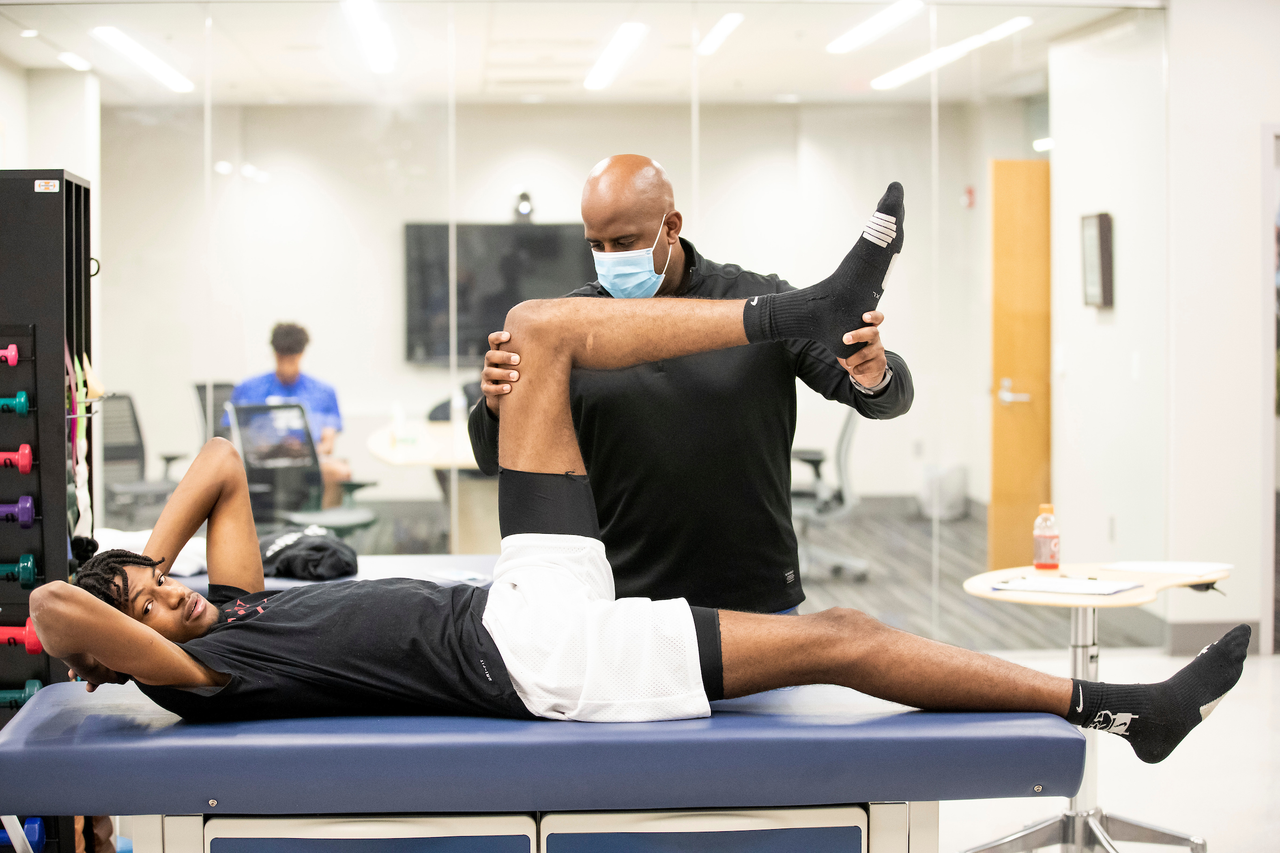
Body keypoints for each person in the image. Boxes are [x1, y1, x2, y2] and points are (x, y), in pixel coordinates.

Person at [30, 184, 1245, 768]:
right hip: (547, 658)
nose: (172, 600)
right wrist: (122, 603)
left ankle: (805, 311)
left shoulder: (232, 607)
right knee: (844, 634)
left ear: (669, 228)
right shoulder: (195, 675)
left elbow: (223, 464)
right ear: (126, 651)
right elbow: (54, 610)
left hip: (525, 606)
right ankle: (1109, 704)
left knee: (538, 327)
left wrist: (156, 567)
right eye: (148, 613)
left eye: (157, 591)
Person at [470, 155, 913, 614]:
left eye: (624, 242)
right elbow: (488, 456)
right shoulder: (567, 328)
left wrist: (872, 373)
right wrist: (496, 403)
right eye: (596, 245)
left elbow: (888, 399)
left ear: (671, 226)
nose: (610, 259)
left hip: (753, 597)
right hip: (623, 604)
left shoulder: (765, 300)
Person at [230, 323, 351, 508]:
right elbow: (236, 437)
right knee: (230, 473)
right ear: (274, 354)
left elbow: (328, 445)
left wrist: (303, 451)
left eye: (291, 359)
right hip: (262, 462)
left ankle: (326, 528)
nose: (286, 365)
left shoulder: (323, 392)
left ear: (301, 355)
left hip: (307, 462)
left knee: (340, 471)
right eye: (281, 358)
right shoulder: (248, 389)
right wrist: (266, 446)